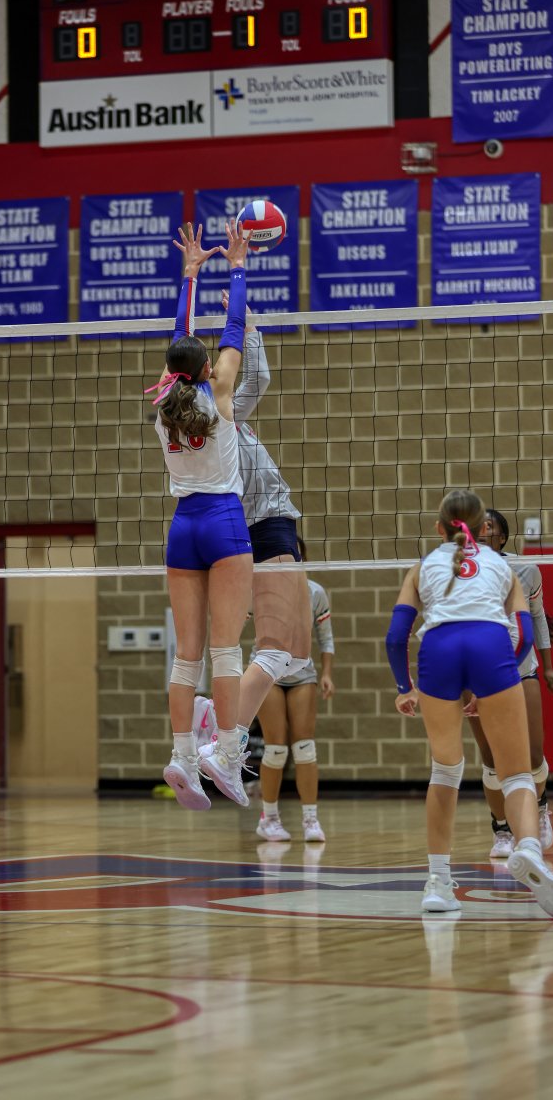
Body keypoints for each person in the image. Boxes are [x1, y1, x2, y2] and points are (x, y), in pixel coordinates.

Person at [385, 489, 553, 919]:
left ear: (439, 528)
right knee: (516, 772)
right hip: (491, 648)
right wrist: (497, 680)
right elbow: (524, 633)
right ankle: (530, 850)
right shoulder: (504, 568)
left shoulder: (421, 567)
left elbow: (396, 637)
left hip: (439, 650)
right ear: (484, 527)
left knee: (445, 771)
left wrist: (404, 687)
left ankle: (438, 883)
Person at [148, 220, 255, 810]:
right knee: (226, 650)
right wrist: (237, 269)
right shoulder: (221, 395)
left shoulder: (165, 405)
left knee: (186, 655)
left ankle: (183, 754)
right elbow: (233, 330)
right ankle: (229, 755)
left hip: (182, 527)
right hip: (224, 521)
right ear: (207, 367)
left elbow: (180, 339)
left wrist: (188, 275)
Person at [197, 291, 312, 764]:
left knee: (297, 652)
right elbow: (259, 376)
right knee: (276, 650)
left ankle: (218, 718)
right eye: (211, 369)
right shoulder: (220, 414)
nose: (218, 369)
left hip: (265, 525)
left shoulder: (210, 416)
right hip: (266, 525)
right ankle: (227, 739)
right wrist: (246, 325)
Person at [466, 510, 553, 858]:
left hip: (522, 668)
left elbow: (537, 618)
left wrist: (547, 667)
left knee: (532, 755)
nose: (481, 529)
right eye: (477, 525)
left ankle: (540, 806)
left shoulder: (526, 570)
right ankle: (502, 830)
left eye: (488, 526)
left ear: (503, 537)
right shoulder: (459, 572)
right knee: (492, 760)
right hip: (477, 674)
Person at [253, 537, 333, 843]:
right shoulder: (260, 587)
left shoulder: (315, 592)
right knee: (275, 749)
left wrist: (327, 674)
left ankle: (310, 819)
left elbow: (326, 637)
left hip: (302, 674)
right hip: (268, 674)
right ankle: (269, 818)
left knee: (305, 748)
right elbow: (235, 618)